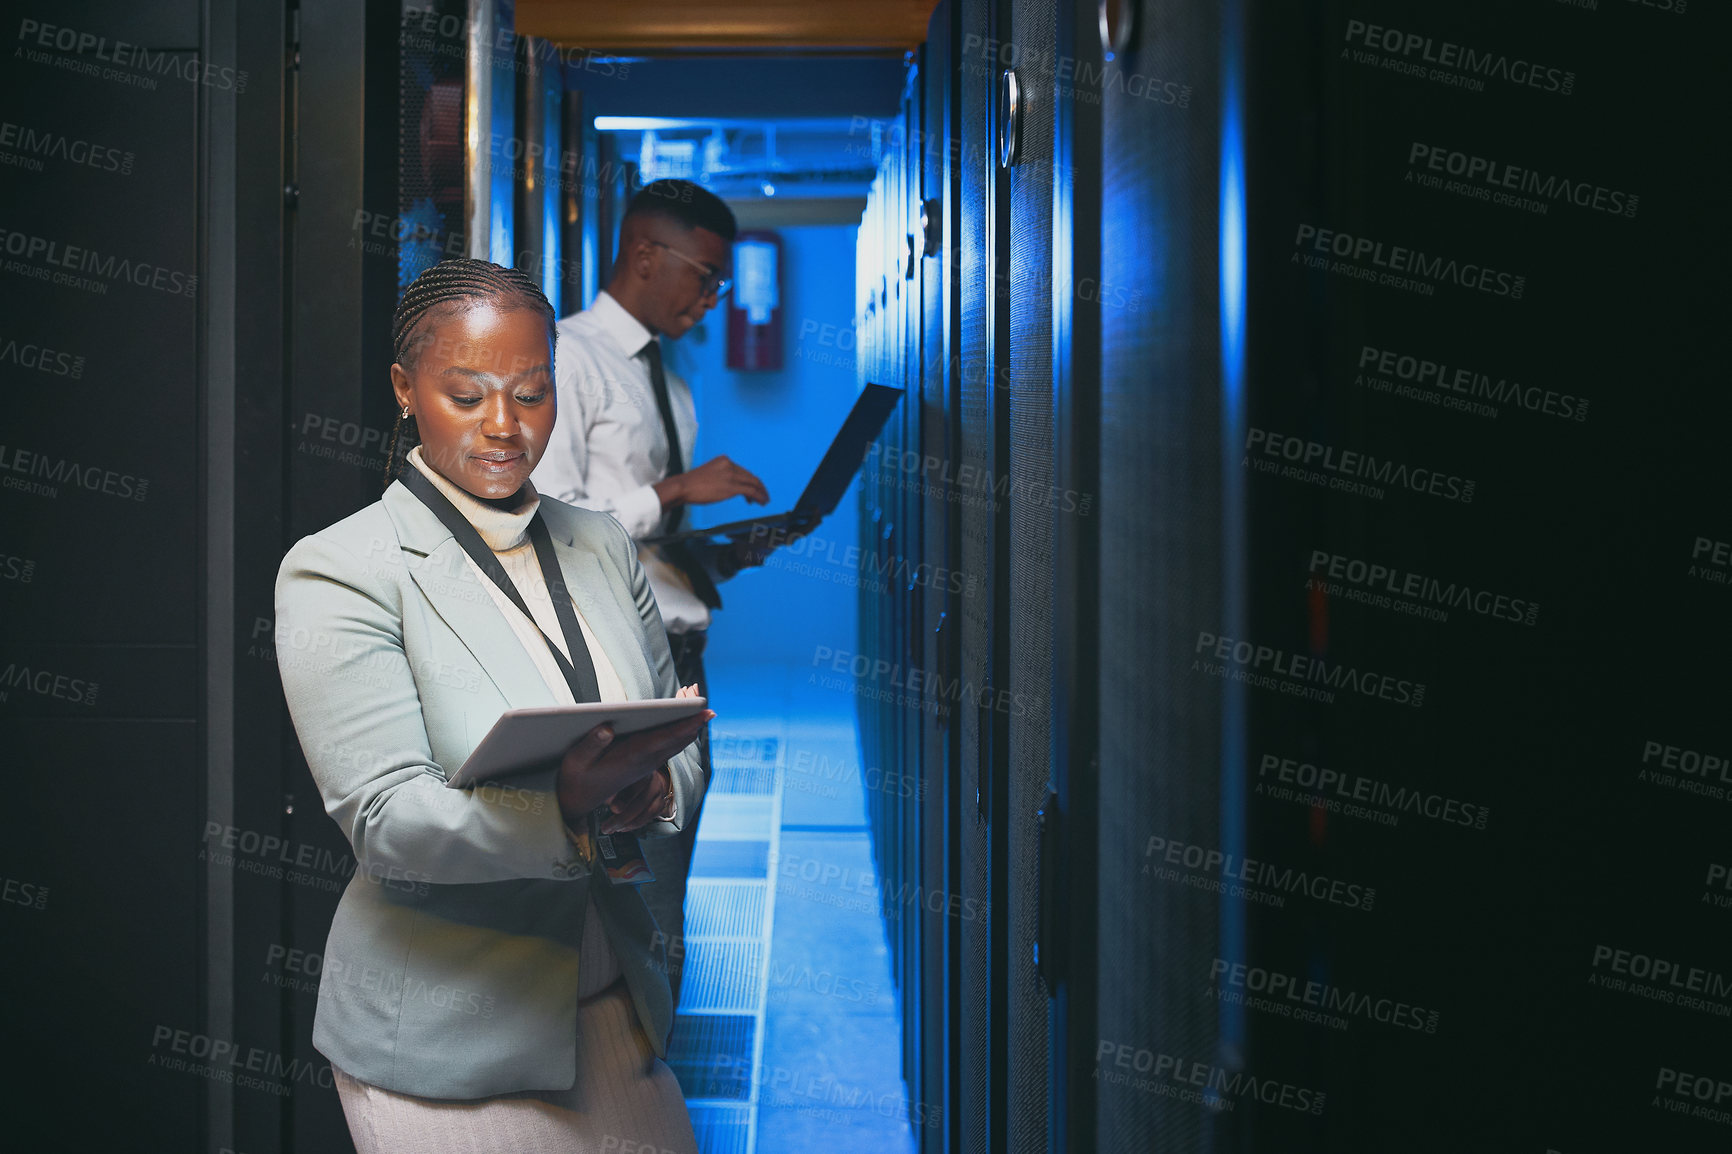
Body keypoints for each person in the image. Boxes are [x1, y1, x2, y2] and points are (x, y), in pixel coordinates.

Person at [275, 258, 708, 1152]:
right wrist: (568, 805)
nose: (505, 428)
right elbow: (387, 819)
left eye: (532, 392)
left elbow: (677, 734)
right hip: (448, 1042)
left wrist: (654, 788)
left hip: (615, 1006)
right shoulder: (342, 570)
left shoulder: (600, 543)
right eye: (467, 397)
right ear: (405, 390)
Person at [531, 178, 813, 1003]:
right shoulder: (568, 359)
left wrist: (714, 555)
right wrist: (677, 492)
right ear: (646, 253)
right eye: (705, 276)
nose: (713, 298)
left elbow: (639, 542)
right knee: (639, 912)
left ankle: (651, 1087)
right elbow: (553, 523)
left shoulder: (669, 379)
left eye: (723, 283)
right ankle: (632, 1101)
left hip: (681, 666)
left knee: (666, 899)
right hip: (618, 675)